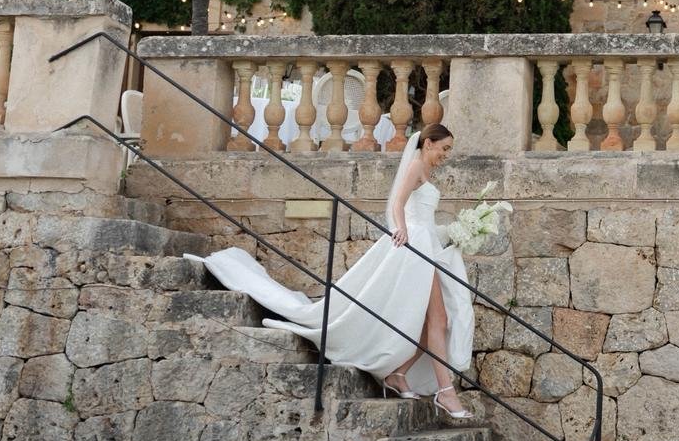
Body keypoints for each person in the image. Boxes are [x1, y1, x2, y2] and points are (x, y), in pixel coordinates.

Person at [190, 123, 474, 418]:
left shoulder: (426, 171)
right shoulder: (416, 165)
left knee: (434, 322)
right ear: (428, 143)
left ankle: (400, 375)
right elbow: (397, 204)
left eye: (448, 150)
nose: (446, 154)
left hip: (427, 247)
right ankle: (445, 392)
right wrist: (401, 230)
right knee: (437, 320)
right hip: (414, 249)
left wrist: (450, 233)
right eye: (444, 148)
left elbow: (422, 214)